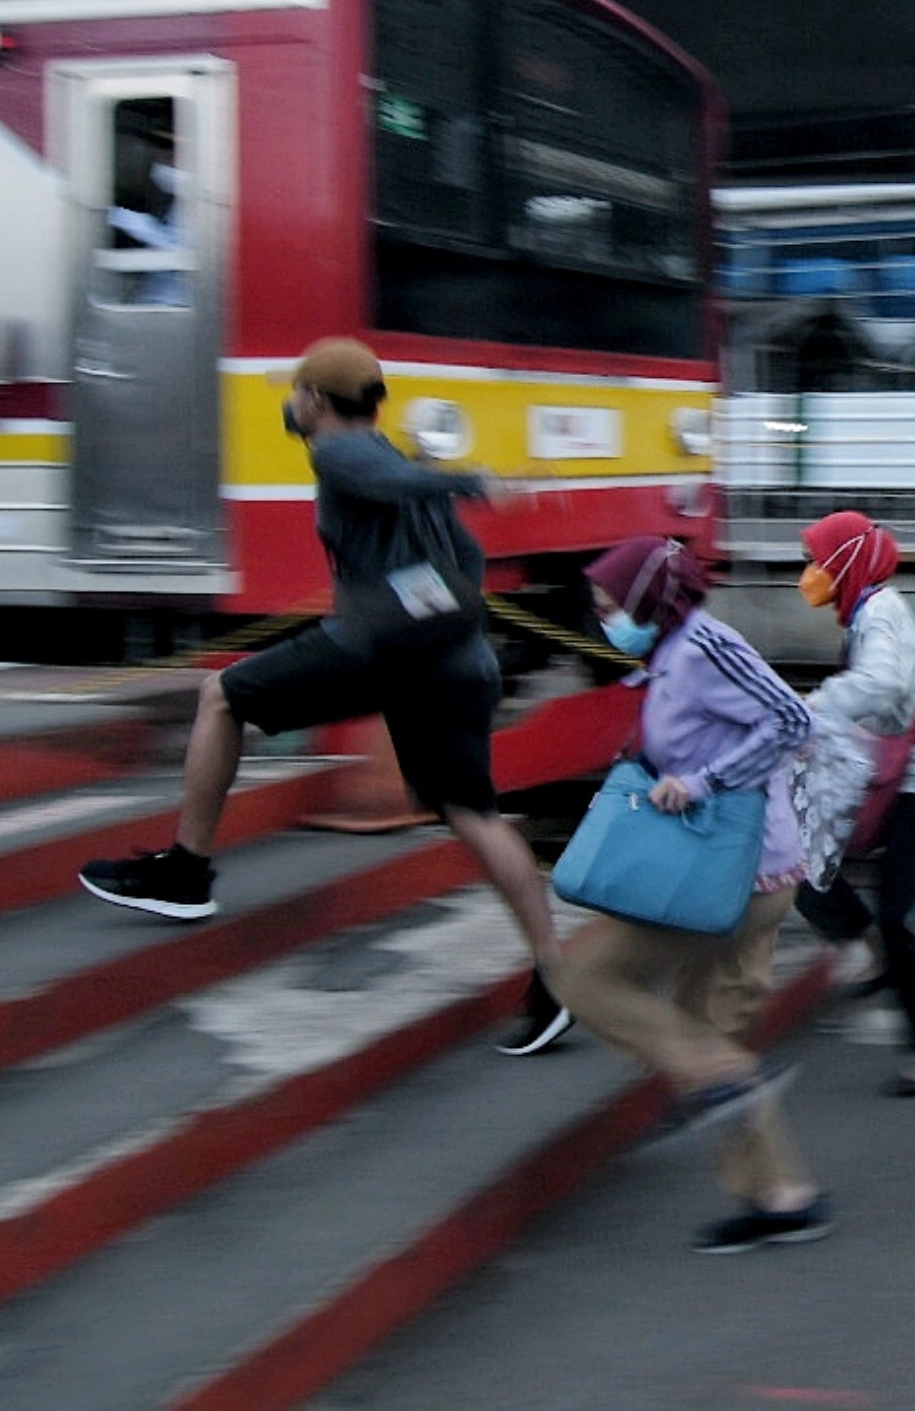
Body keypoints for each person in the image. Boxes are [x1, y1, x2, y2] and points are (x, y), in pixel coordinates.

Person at [79, 338, 572, 1057]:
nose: (292, 405)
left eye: (297, 394)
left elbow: (376, 480)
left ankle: (185, 872)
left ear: (314, 400)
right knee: (475, 814)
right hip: (457, 655)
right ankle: (556, 978)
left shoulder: (341, 454)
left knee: (221, 694)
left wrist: (469, 479)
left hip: (379, 648)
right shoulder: (399, 456)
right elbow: (463, 559)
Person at [551, 536, 831, 1252]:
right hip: (720, 870)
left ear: (650, 599)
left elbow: (796, 722)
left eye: (613, 606)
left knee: (584, 977)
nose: (606, 619)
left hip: (739, 875)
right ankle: (781, 1197)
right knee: (704, 1026)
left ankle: (725, 1080)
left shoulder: (705, 646)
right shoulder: (667, 655)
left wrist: (704, 782)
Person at [790, 511, 915, 1098]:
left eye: (818, 559)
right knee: (806, 869)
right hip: (894, 780)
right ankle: (876, 954)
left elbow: (881, 686)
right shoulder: (866, 611)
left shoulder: (880, 611)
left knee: (896, 913)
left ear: (846, 561)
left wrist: (814, 706)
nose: (810, 572)